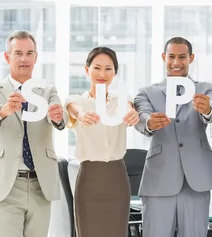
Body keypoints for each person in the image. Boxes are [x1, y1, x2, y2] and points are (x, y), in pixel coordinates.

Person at [0, 30, 66, 237]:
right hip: (5, 184)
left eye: (29, 53)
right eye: (18, 53)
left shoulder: (47, 90)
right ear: (8, 57)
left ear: (36, 57)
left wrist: (58, 116)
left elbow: (63, 118)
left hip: (40, 184)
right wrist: (4, 110)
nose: (24, 59)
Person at [134, 37, 212, 237]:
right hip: (159, 177)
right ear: (163, 57)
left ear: (191, 58)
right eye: (171, 56)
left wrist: (207, 109)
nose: (176, 62)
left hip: (197, 178)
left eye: (182, 57)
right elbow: (141, 116)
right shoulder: (146, 92)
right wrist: (150, 122)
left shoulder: (206, 89)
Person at [63, 46, 139, 237]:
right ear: (86, 69)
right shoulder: (76, 101)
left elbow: (129, 107)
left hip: (117, 178)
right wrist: (81, 114)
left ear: (115, 73)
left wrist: (131, 113)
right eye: (97, 68)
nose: (102, 74)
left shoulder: (122, 100)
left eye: (108, 69)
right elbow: (72, 109)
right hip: (89, 179)